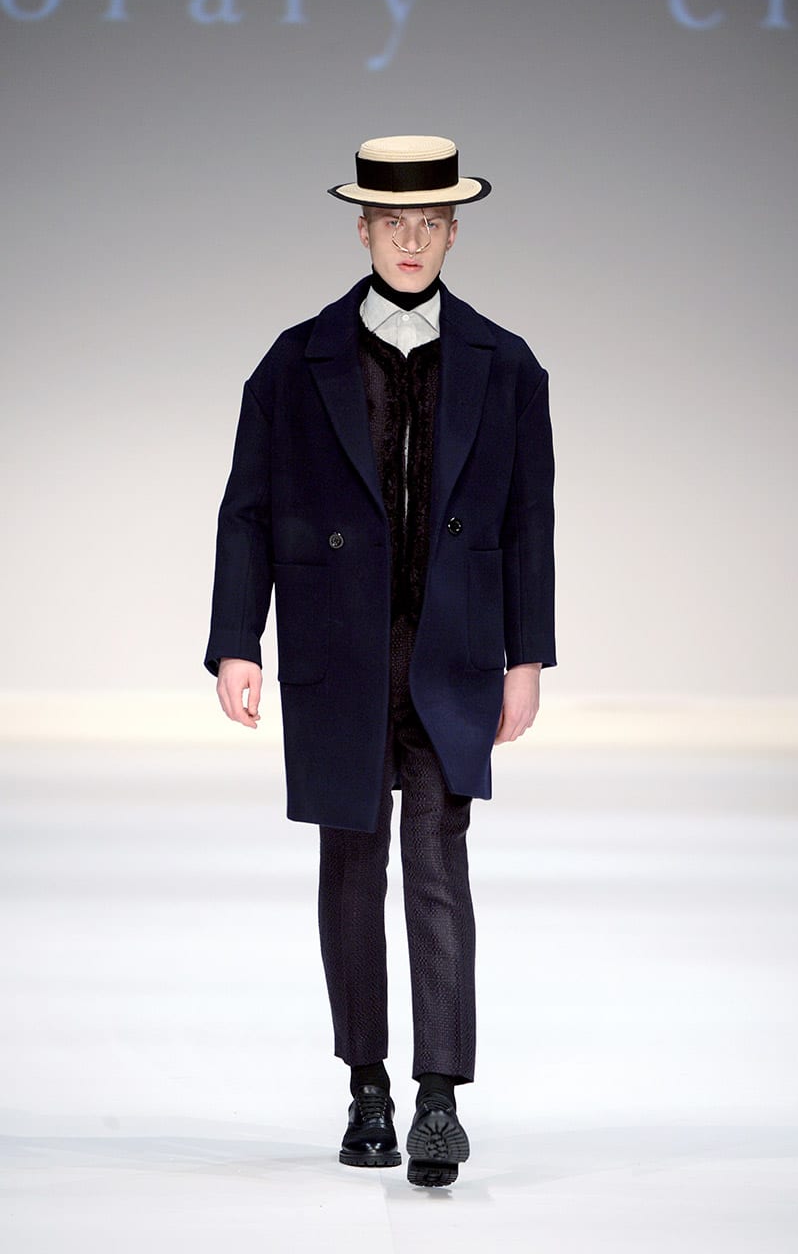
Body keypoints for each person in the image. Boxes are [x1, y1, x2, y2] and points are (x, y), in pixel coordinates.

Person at [204, 135, 556, 1188]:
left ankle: (438, 1096)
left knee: (439, 866)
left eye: (429, 223)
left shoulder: (506, 364)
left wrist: (527, 657)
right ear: (361, 229)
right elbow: (247, 509)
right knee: (351, 870)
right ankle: (366, 1087)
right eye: (392, 223)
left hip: (451, 652)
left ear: (453, 232)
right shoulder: (295, 360)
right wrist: (236, 639)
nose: (410, 241)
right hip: (337, 652)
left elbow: (529, 522)